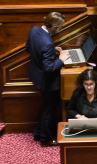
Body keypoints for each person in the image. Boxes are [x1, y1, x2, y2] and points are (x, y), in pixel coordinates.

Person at [26, 12, 69, 147]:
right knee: (49, 110)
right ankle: (45, 139)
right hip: (47, 82)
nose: (60, 28)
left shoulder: (34, 30)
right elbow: (49, 68)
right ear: (54, 27)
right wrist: (61, 60)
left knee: (47, 108)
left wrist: (49, 53)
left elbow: (29, 48)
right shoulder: (47, 43)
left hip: (36, 75)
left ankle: (38, 133)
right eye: (60, 27)